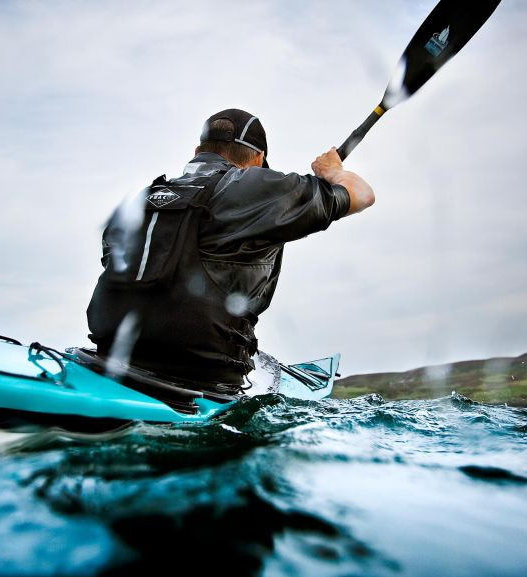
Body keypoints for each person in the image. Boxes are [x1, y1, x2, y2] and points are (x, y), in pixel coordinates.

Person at [86, 108, 375, 395]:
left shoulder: (142, 199)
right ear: (259, 159)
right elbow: (361, 194)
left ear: (198, 150)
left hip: (109, 359)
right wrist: (334, 171)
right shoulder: (254, 188)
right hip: (204, 378)